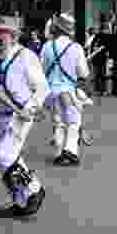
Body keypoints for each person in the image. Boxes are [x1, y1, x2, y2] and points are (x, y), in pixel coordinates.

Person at [0, 15, 48, 217]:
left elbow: (42, 87)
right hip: (1, 114)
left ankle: (34, 189)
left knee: (5, 155)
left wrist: (30, 108)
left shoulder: (26, 56)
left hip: (20, 114)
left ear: (14, 36)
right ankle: (20, 201)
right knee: (10, 158)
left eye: (2, 33)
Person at [42, 12, 90, 166]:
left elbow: (40, 70)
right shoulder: (76, 48)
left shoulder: (47, 46)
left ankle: (58, 152)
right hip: (69, 92)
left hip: (50, 93)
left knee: (58, 122)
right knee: (73, 122)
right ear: (70, 31)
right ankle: (70, 151)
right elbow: (83, 73)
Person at [90, 19, 112, 96]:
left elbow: (93, 47)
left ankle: (99, 89)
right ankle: (102, 90)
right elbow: (108, 48)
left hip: (98, 58)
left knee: (98, 75)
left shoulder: (98, 36)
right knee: (102, 75)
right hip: (102, 58)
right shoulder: (105, 37)